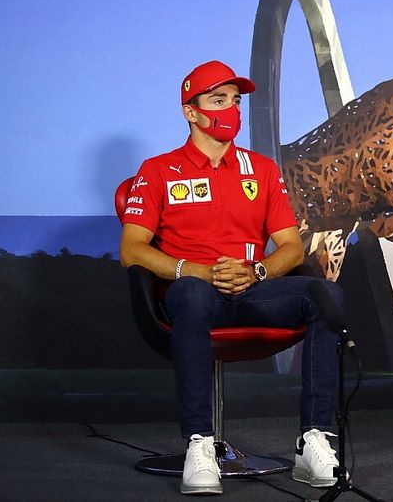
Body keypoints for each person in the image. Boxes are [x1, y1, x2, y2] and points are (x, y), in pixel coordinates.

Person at [120, 60, 343, 495]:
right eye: (218, 100)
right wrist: (196, 270)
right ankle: (199, 445)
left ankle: (313, 439)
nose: (231, 110)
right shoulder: (159, 169)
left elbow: (292, 247)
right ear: (191, 111)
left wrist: (257, 270)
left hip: (255, 290)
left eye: (235, 101)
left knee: (326, 294)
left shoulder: (261, 170)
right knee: (191, 295)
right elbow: (132, 250)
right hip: (194, 293)